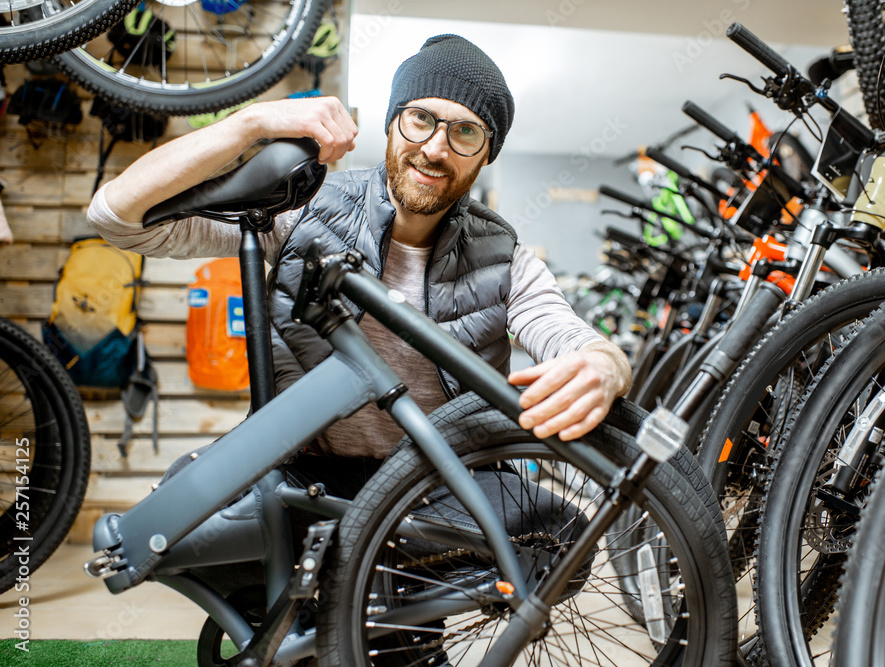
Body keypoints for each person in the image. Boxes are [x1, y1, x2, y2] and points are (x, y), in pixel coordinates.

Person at [88, 34, 631, 490]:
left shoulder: (503, 257)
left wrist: (607, 367)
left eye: (466, 131)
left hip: (438, 489)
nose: (437, 148)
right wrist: (250, 124)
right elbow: (117, 216)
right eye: (421, 119)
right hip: (309, 478)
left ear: (487, 154)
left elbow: (572, 335)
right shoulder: (300, 212)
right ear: (393, 125)